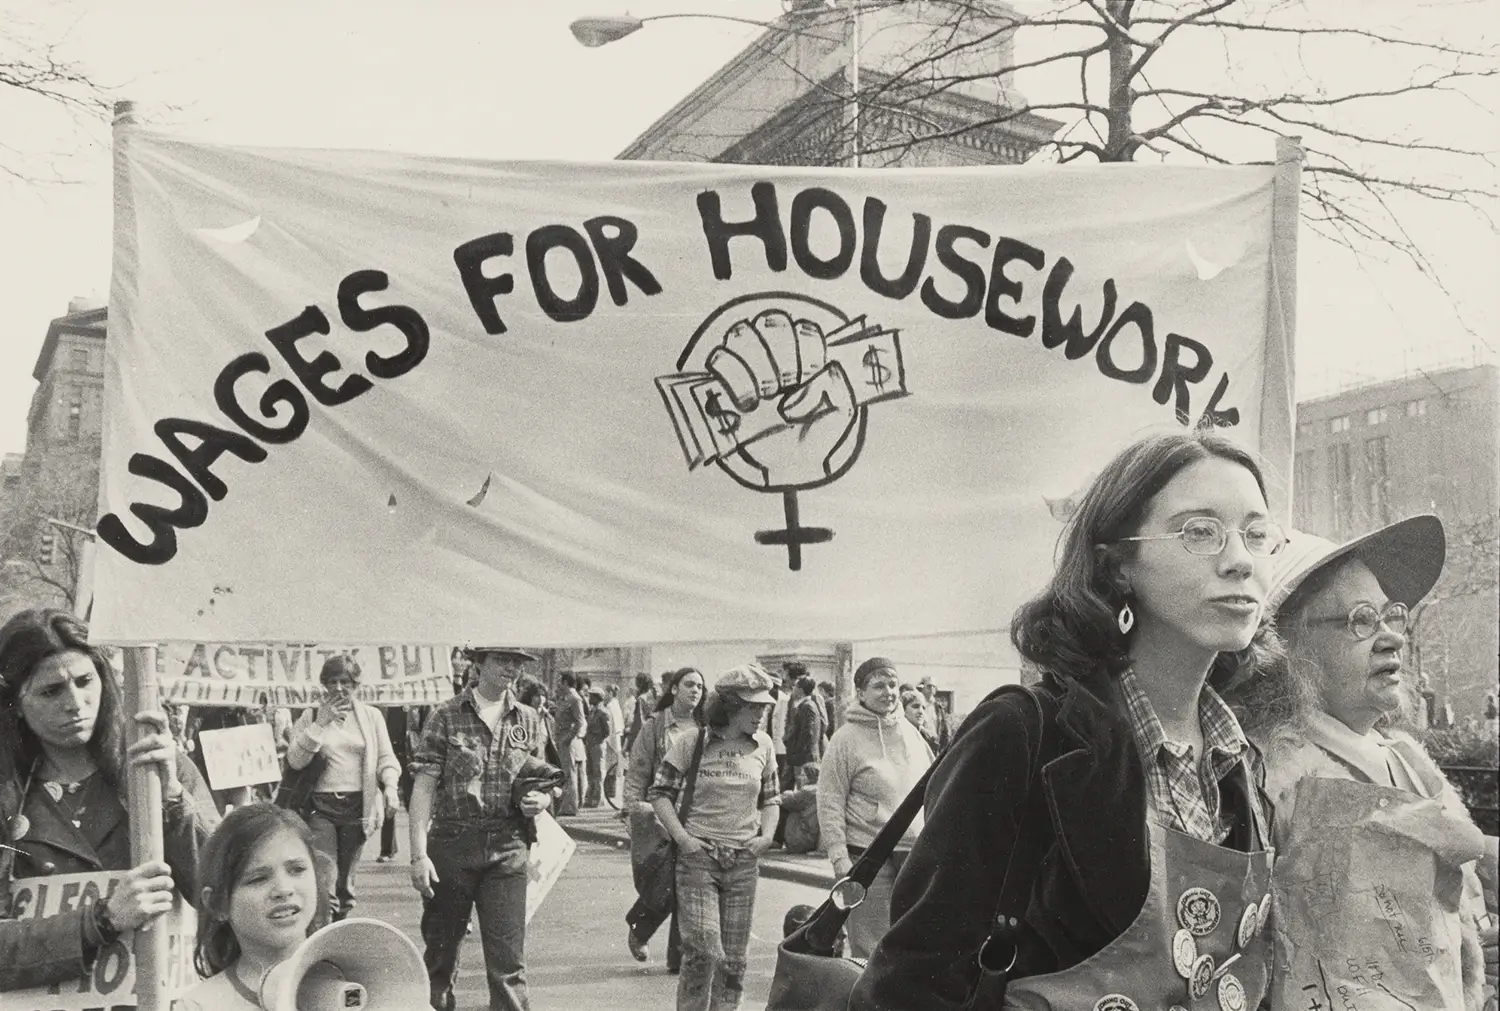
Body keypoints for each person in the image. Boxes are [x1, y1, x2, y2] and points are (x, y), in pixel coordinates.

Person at [851, 431, 1284, 1011]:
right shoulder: (1024, 735)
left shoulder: (1239, 762)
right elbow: (911, 984)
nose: (1239, 561)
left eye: (1256, 534)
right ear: (1118, 564)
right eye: (1199, 532)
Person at [1227, 516, 1497, 1009]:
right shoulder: (1268, 772)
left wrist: (1475, 946)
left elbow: (1454, 911)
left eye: (1391, 616)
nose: (1392, 637)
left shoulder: (1409, 759)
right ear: (1288, 647)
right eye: (1359, 620)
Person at [0, 608, 220, 992]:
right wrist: (101, 920)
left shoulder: (158, 765)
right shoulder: (8, 792)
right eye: (51, 691)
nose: (76, 703)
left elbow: (224, 893)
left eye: (85, 681)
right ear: (16, 703)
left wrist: (171, 798)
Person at [409, 645, 557, 1011]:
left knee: (508, 964)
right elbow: (424, 787)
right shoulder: (445, 715)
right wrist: (418, 855)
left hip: (508, 846)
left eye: (517, 663)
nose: (511, 669)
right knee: (441, 958)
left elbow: (542, 780)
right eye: (502, 661)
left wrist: (543, 801)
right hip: (452, 843)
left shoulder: (528, 718)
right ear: (479, 664)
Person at [649, 665, 781, 1011]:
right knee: (704, 950)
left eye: (764, 707)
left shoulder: (763, 745)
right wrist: (684, 840)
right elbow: (660, 793)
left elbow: (772, 799)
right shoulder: (692, 741)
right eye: (753, 706)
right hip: (699, 860)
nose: (761, 713)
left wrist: (766, 836)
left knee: (734, 960)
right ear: (730, 706)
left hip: (743, 862)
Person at [817, 657, 934, 959]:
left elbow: (933, 788)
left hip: (914, 857)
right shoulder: (844, 740)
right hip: (867, 858)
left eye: (893, 685)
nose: (889, 692)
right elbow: (829, 801)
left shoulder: (912, 734)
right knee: (870, 951)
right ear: (861, 692)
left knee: (912, 946)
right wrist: (839, 858)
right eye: (879, 686)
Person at [283, 655, 400, 922]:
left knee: (346, 884)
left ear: (355, 685)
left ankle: (339, 932)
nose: (338, 688)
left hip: (358, 806)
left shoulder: (371, 717)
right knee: (325, 879)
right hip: (319, 807)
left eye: (345, 682)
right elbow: (295, 760)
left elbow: (386, 758)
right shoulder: (311, 716)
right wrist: (320, 724)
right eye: (332, 682)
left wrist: (391, 786)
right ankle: (322, 937)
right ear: (324, 684)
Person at [177, 803, 326, 1011]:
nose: (283, 889)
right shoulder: (200, 1005)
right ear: (217, 904)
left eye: (297, 869)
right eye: (258, 879)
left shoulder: (357, 982)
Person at [624, 666, 706, 969]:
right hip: (660, 814)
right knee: (663, 884)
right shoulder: (656, 725)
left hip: (697, 814)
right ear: (674, 689)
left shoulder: (706, 725)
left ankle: (680, 957)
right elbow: (639, 769)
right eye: (688, 685)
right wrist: (634, 808)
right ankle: (640, 928)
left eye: (699, 686)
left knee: (691, 886)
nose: (695, 690)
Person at [377, 704, 415, 862]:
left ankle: (418, 851)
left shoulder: (416, 703)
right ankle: (387, 849)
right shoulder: (381, 704)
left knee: (413, 804)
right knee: (388, 803)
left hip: (409, 756)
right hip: (386, 756)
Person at [553, 673, 585, 817]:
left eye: (560, 681)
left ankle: (571, 807)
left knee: (569, 773)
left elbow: (579, 722)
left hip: (567, 741)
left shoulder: (575, 699)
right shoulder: (567, 698)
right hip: (561, 739)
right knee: (564, 772)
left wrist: (567, 738)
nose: (559, 684)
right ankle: (565, 805)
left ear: (566, 682)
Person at [783, 675, 825, 785]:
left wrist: (795, 750)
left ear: (801, 690)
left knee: (804, 789)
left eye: (795, 686)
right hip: (803, 757)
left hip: (804, 758)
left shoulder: (807, 706)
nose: (793, 689)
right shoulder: (805, 705)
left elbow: (808, 733)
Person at [584, 689, 610, 808]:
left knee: (598, 772)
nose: (589, 698)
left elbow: (607, 731)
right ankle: (590, 797)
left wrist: (597, 738)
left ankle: (598, 799)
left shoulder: (602, 712)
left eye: (591, 696)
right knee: (590, 772)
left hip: (597, 745)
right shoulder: (593, 711)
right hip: (590, 744)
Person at [899, 685, 941, 755]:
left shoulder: (929, 737)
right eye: (915, 707)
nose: (921, 712)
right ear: (903, 709)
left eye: (923, 708)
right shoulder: (899, 736)